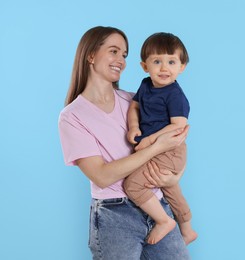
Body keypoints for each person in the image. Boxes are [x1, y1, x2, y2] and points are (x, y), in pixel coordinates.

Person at [58, 26, 190, 260]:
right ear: (91, 56)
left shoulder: (133, 100)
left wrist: (174, 178)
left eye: (124, 55)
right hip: (114, 216)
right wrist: (155, 147)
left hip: (158, 205)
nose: (121, 60)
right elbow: (102, 175)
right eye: (114, 51)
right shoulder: (72, 116)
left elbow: (176, 141)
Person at [123, 32, 197, 245]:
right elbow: (134, 105)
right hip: (157, 148)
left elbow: (178, 126)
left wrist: (150, 140)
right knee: (169, 187)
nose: (164, 68)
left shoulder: (175, 95)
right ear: (145, 66)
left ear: (181, 67)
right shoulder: (146, 85)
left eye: (171, 62)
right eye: (157, 61)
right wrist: (134, 126)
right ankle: (187, 229)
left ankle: (164, 221)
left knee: (133, 185)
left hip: (170, 149)